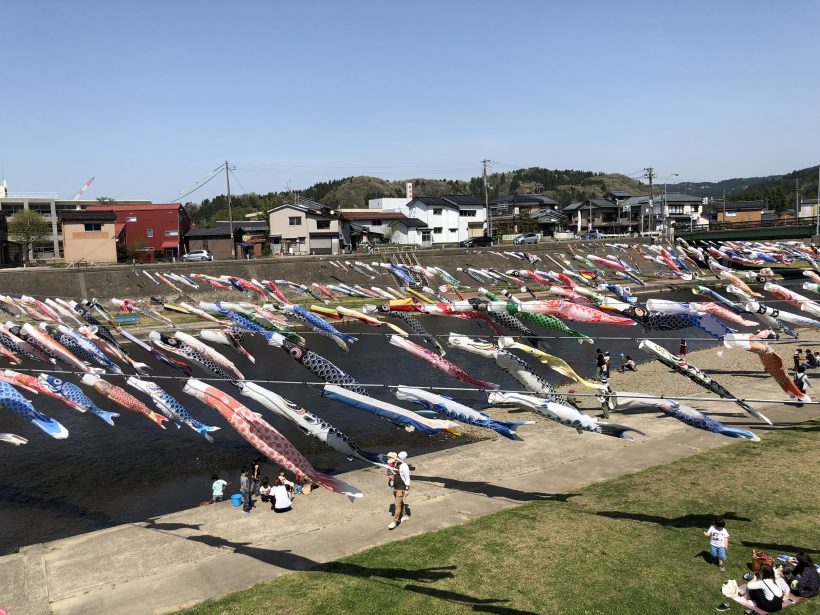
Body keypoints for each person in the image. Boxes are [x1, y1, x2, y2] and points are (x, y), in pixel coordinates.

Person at [388, 451, 411, 530]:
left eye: (398, 457)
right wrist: (392, 477)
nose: (397, 458)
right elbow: (398, 475)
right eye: (397, 457)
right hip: (396, 487)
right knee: (400, 502)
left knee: (397, 505)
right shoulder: (397, 464)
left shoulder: (404, 466)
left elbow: (407, 478)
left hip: (401, 488)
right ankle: (405, 516)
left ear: (401, 458)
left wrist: (407, 489)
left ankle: (394, 522)